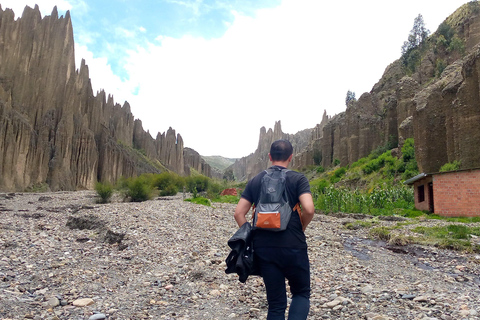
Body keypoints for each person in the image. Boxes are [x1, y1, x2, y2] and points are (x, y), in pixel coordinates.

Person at [234, 139, 315, 320]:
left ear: (270, 157)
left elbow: (239, 213)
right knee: (301, 293)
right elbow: (309, 209)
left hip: (264, 248)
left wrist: (249, 236)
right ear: (291, 157)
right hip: (294, 245)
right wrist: (301, 226)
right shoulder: (298, 179)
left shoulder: (255, 180)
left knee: (276, 304)